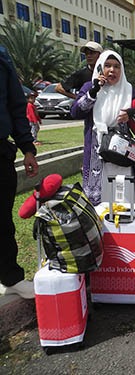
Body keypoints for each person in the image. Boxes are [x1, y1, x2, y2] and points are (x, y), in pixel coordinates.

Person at [71, 50, 135, 205]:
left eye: (116, 66)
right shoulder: (89, 87)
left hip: (123, 152)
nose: (112, 70)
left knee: (124, 195)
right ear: (100, 68)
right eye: (107, 66)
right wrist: (93, 92)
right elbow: (75, 112)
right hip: (98, 152)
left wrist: (132, 113)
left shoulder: (128, 89)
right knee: (100, 199)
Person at [0, 45, 39, 299]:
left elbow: (16, 104)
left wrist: (27, 147)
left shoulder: (2, 56)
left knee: (3, 221)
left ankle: (10, 278)